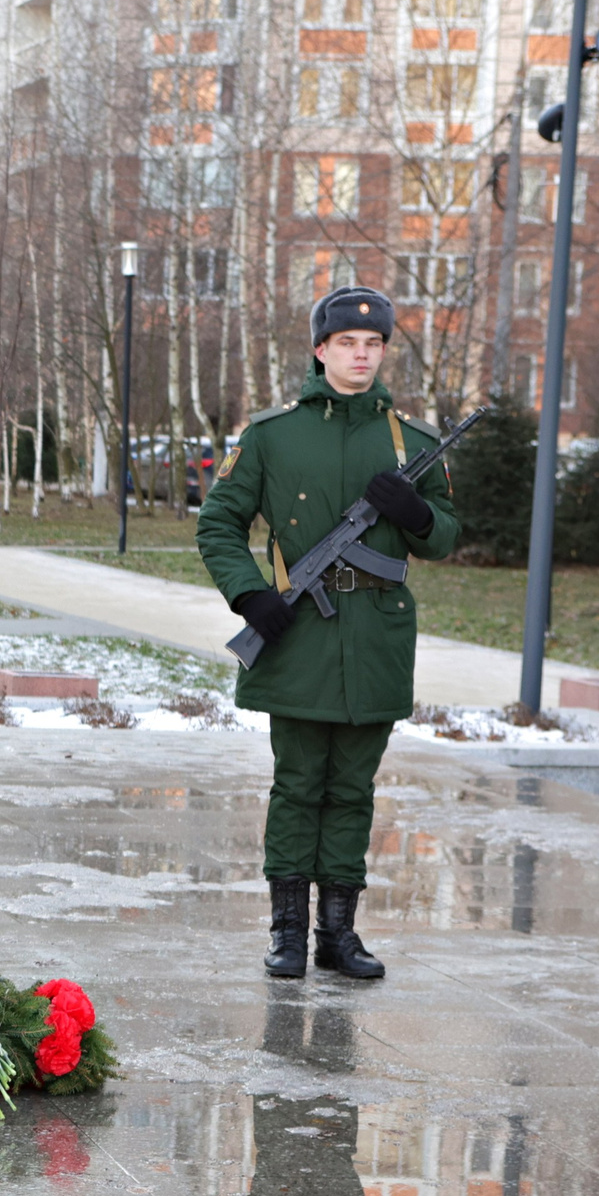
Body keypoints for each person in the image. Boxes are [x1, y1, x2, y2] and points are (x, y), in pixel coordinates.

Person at [196, 286, 458, 982]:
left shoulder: (412, 443)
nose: (361, 355)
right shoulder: (272, 435)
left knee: (354, 790)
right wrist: (250, 594)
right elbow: (218, 523)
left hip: (375, 635)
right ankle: (286, 934)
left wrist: (419, 516)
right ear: (321, 349)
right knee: (298, 785)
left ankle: (337, 936)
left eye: (373, 344)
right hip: (299, 631)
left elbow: (447, 535)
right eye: (347, 343)